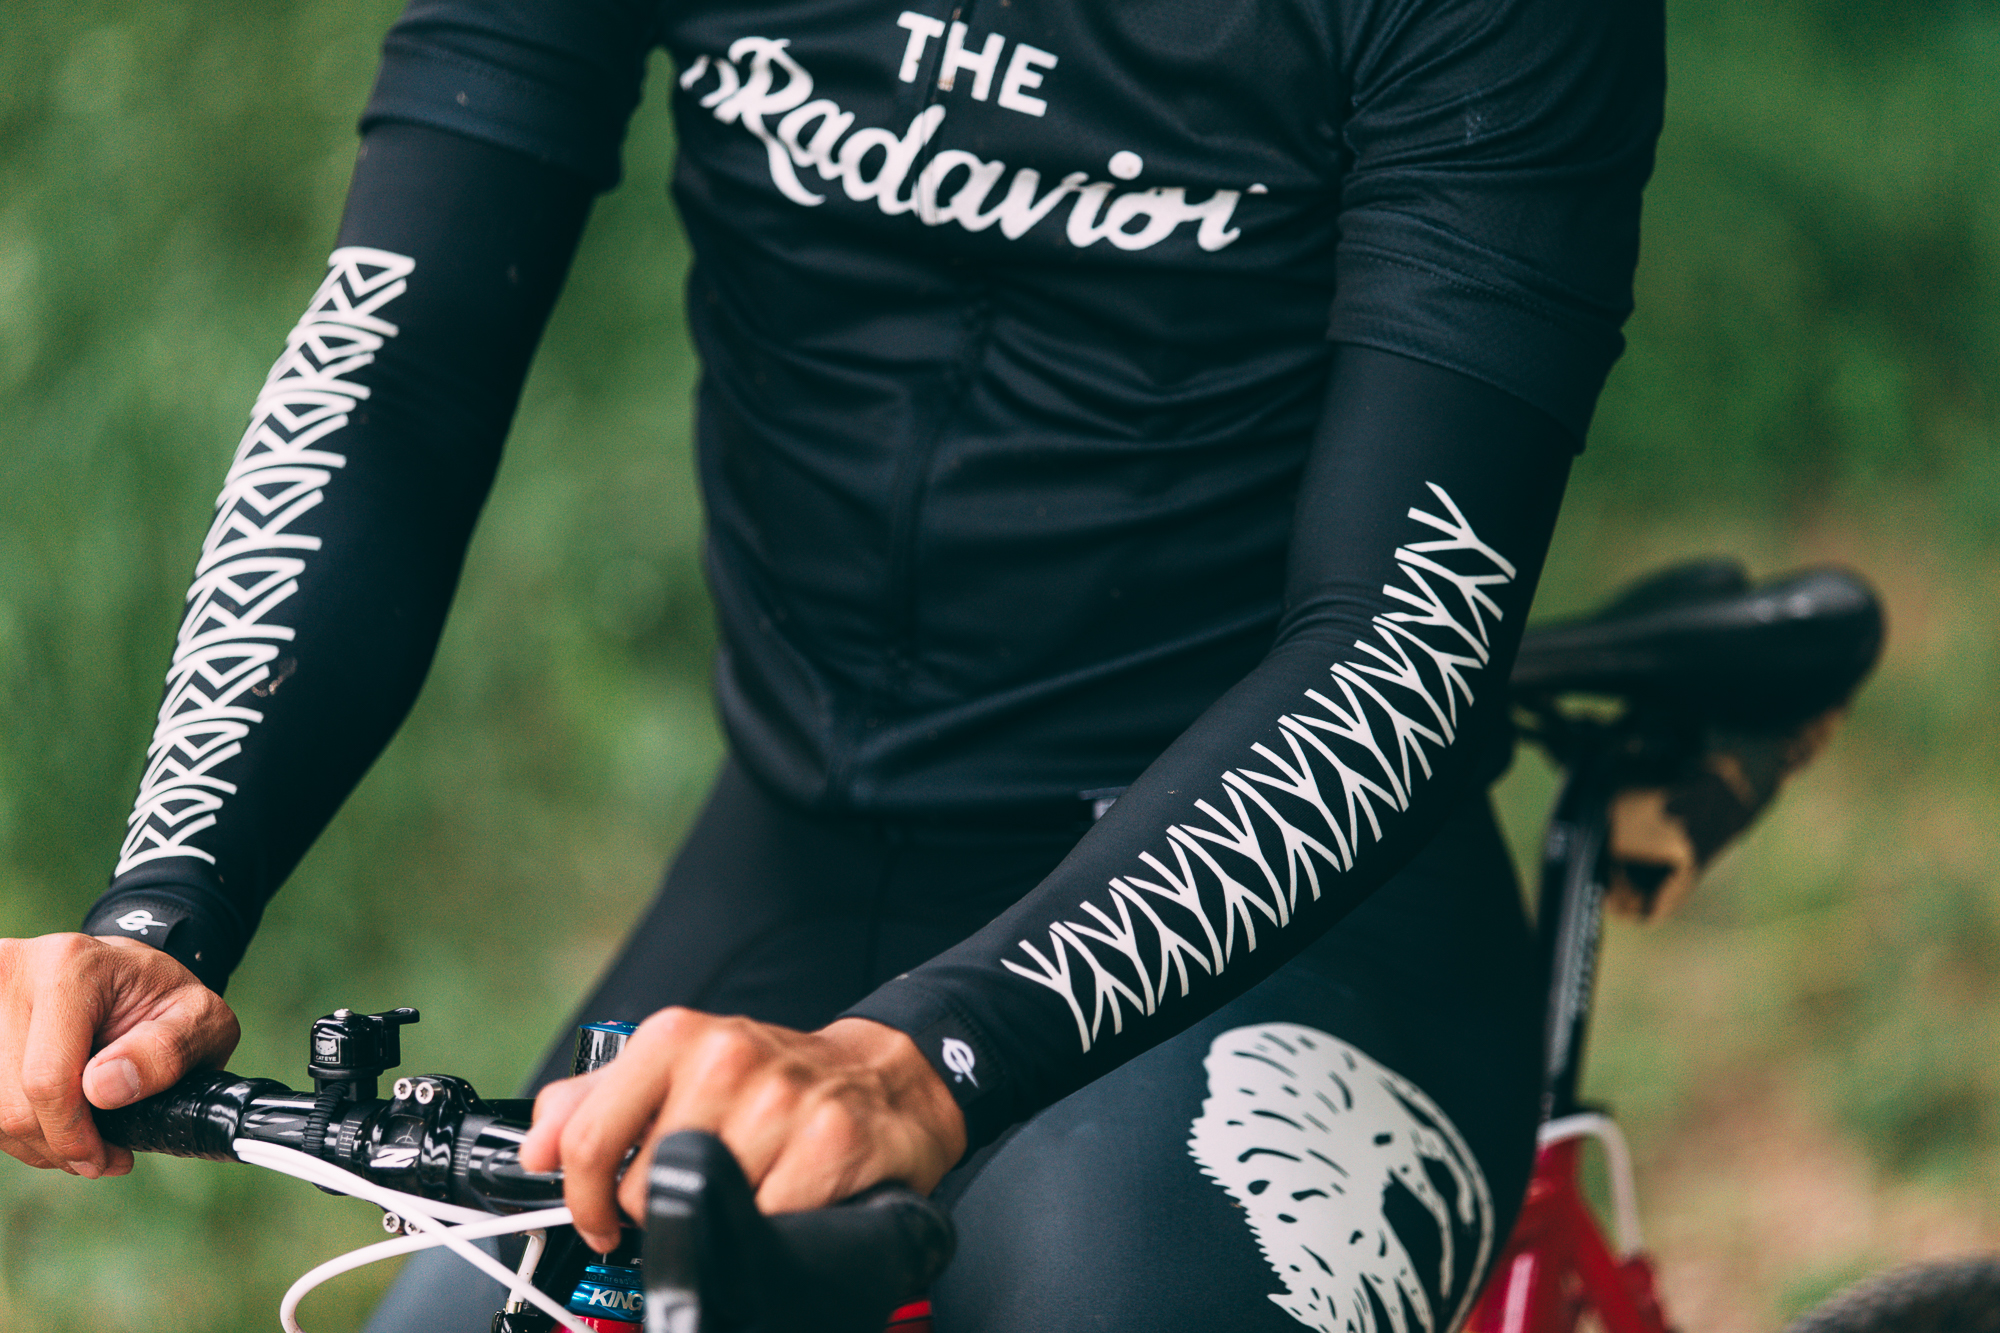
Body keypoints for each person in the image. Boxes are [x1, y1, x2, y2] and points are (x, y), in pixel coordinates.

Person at [0, 0, 1662, 1327]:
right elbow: (399, 374)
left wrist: (923, 1054)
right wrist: (166, 905)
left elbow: (1399, 630)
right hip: (800, 855)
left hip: (1295, 932)